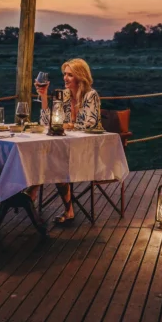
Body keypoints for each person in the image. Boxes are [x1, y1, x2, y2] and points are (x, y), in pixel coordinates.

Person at [35, 58, 101, 225]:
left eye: (70, 75)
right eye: (64, 74)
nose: (65, 78)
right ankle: (66, 209)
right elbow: (46, 122)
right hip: (67, 147)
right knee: (50, 159)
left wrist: (65, 125)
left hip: (87, 150)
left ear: (80, 76)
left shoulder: (90, 95)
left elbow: (88, 124)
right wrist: (43, 97)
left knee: (54, 161)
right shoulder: (63, 95)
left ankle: (30, 193)